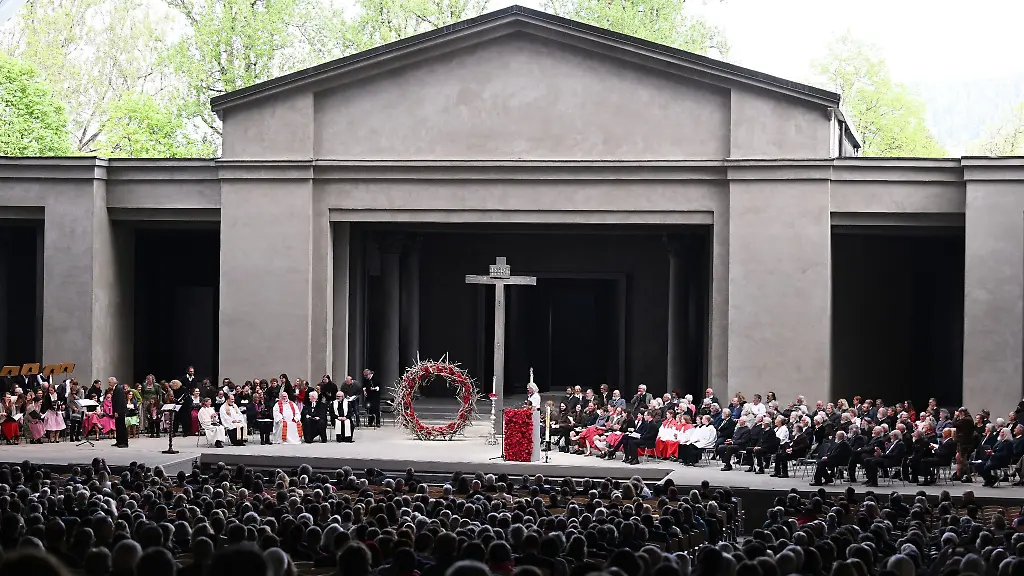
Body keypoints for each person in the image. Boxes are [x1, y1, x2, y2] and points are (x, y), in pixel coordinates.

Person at [111, 378, 128, 448]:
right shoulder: (116, 388)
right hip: (117, 410)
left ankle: (124, 442)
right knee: (118, 426)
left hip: (120, 411)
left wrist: (117, 411)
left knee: (121, 427)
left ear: (114, 382)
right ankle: (119, 441)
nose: (109, 384)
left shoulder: (119, 389)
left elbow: (119, 401)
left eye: (110, 382)